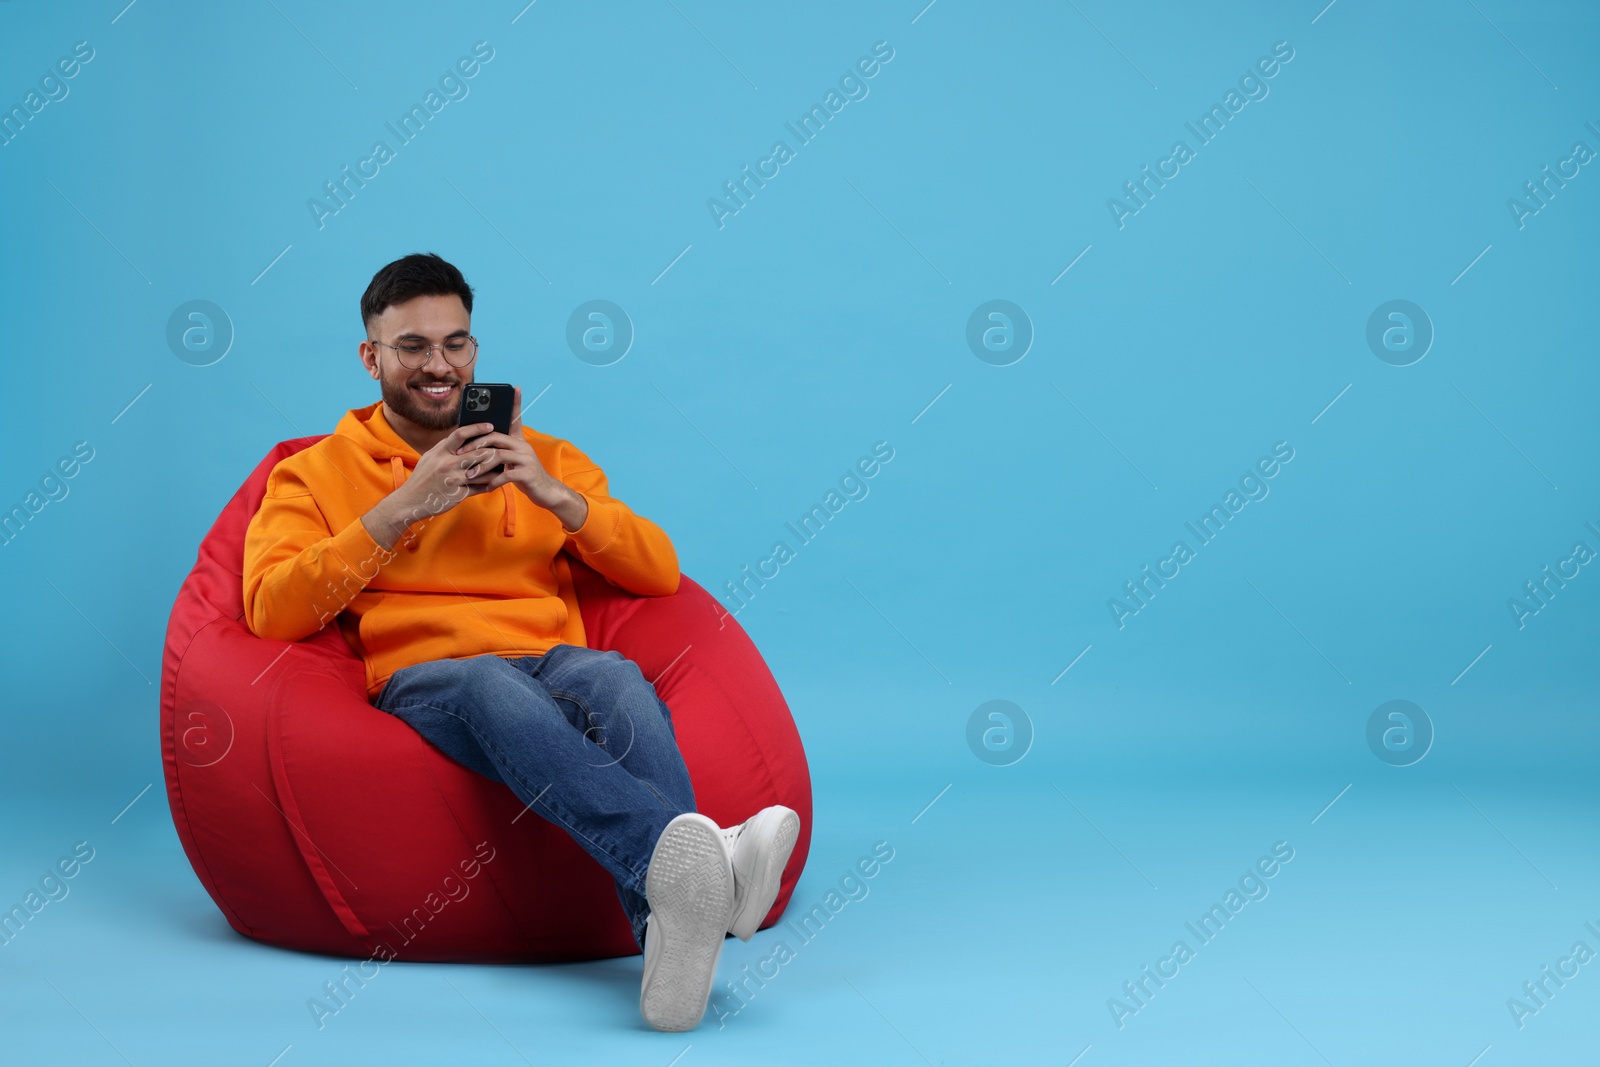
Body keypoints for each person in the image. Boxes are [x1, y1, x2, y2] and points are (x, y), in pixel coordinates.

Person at [241, 251, 799, 1032]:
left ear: (475, 350)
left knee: (615, 677)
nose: (438, 365)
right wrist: (403, 506)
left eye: (456, 344)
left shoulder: (545, 457)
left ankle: (668, 927)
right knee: (488, 685)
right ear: (371, 357)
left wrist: (554, 495)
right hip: (427, 673)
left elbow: (658, 571)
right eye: (412, 347)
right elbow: (271, 608)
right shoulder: (312, 474)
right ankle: (712, 863)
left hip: (551, 661)